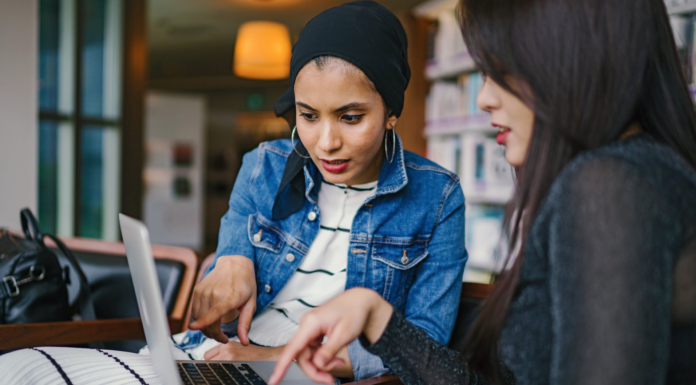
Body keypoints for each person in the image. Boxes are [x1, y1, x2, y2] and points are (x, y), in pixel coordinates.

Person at [270, 0, 696, 384]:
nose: (486, 98)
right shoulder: (632, 174)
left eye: (502, 72)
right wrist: (378, 318)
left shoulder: (611, 186)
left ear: (574, 58)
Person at [175, 1, 468, 381]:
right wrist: (231, 261)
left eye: (350, 117)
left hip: (303, 372)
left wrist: (272, 356)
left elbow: (422, 348)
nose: (326, 143)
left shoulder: (438, 197)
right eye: (309, 116)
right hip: (221, 355)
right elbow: (229, 265)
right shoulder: (264, 165)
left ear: (391, 113)